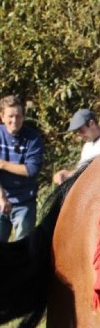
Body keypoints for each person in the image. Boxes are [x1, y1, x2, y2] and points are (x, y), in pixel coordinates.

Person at [0, 94, 44, 242]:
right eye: (10, 116)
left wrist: (3, 164)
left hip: (25, 202)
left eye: (18, 116)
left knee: (22, 249)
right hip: (1, 198)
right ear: (2, 116)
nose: (14, 121)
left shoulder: (33, 138)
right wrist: (1, 197)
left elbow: (31, 170)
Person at [53, 108, 100, 184]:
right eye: (78, 132)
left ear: (92, 124)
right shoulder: (87, 146)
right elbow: (81, 171)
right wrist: (66, 175)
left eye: (82, 131)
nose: (81, 135)